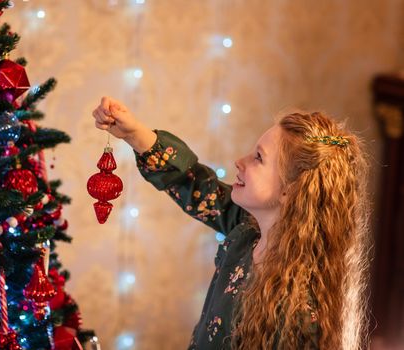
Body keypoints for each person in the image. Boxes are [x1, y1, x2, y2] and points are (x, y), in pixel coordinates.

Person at [92, 97, 371, 350]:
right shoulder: (247, 231)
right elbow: (194, 184)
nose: (240, 161)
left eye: (258, 158)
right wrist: (134, 133)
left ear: (290, 190)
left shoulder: (298, 313)